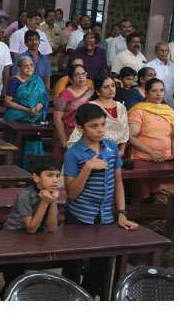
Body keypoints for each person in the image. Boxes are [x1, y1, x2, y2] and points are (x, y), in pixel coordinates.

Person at [61, 103, 138, 298]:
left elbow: (118, 182)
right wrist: (87, 167)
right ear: (81, 128)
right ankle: (69, 300)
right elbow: (71, 193)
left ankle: (84, 298)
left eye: (103, 125)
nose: (100, 130)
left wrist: (121, 213)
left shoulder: (111, 148)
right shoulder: (73, 153)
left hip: (105, 216)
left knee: (103, 264)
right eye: (94, 126)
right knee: (72, 265)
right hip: (79, 215)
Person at [0, 157, 61, 294]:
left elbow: (52, 228)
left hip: (33, 239)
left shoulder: (50, 194)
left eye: (57, 175)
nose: (55, 180)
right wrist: (45, 203)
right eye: (50, 175)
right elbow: (31, 228)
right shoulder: (24, 195)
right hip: (12, 239)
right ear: (36, 177)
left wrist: (51, 202)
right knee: (14, 279)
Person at [128, 78, 174, 203]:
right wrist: (151, 152)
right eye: (154, 91)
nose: (159, 94)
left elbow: (174, 135)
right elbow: (131, 136)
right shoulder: (138, 110)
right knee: (147, 201)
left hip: (166, 163)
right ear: (146, 93)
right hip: (144, 162)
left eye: (161, 90)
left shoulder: (168, 111)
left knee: (166, 199)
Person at [3, 56, 49, 169]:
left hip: (34, 116)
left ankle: (32, 170)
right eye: (25, 66)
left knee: (33, 139)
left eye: (31, 65)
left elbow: (44, 98)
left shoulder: (38, 80)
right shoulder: (15, 81)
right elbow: (7, 101)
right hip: (17, 116)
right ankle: (15, 169)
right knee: (18, 142)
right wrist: (27, 110)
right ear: (19, 68)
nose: (29, 68)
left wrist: (37, 108)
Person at [67, 74, 129, 155]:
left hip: (116, 152)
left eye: (113, 86)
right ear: (98, 91)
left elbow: (125, 132)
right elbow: (81, 132)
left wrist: (121, 151)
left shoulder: (121, 107)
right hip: (92, 151)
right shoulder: (91, 107)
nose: (111, 89)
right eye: (106, 87)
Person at [52, 64, 93, 160]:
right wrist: (64, 140)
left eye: (83, 74)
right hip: (69, 133)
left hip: (88, 134)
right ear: (71, 79)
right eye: (77, 75)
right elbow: (57, 118)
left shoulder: (91, 92)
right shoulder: (65, 95)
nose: (81, 77)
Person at [145, 42, 174, 108]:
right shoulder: (149, 66)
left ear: (169, 52)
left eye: (166, 50)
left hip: (171, 102)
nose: (164, 52)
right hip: (154, 102)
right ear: (156, 52)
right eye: (161, 50)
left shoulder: (173, 67)